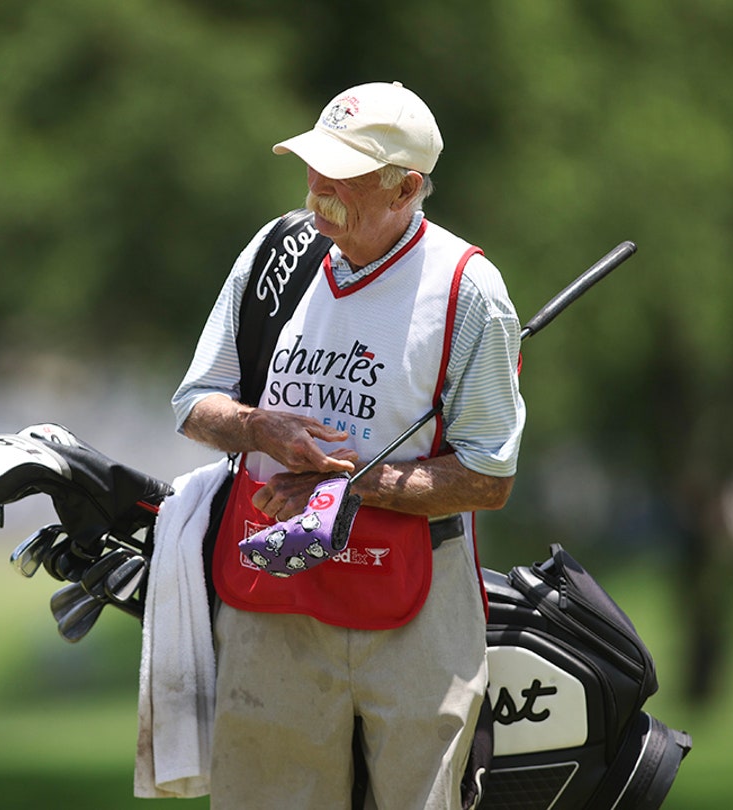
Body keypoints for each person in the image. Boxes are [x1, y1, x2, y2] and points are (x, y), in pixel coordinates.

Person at [172, 81, 524, 809]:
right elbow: (194, 406)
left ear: (408, 187)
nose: (319, 186)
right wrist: (259, 428)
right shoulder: (276, 254)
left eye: (346, 172)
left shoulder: (468, 290)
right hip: (273, 589)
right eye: (314, 163)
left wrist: (346, 485)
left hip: (417, 597)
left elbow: (488, 480)